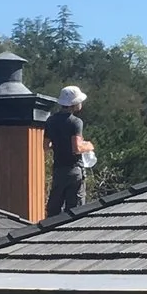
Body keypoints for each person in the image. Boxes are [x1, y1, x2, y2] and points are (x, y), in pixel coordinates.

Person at [44, 85, 94, 218]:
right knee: (74, 211)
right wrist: (89, 146)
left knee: (54, 210)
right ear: (74, 104)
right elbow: (76, 148)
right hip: (74, 170)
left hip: (58, 170)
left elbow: (46, 145)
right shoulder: (76, 122)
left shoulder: (50, 121)